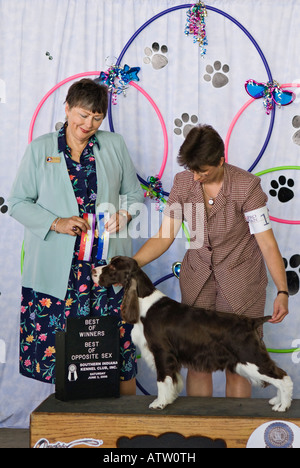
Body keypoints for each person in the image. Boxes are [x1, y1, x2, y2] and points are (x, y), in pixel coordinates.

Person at [8, 78, 144, 395]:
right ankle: (74, 433)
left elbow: (135, 195)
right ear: (67, 109)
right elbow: (17, 203)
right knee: (67, 356)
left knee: (118, 351)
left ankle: (123, 432)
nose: (88, 124)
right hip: (61, 273)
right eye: (82, 115)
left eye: (97, 117)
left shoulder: (114, 144)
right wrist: (56, 222)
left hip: (108, 271)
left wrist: (125, 214)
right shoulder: (41, 149)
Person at [133, 124, 289, 399]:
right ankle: (200, 431)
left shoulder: (246, 186)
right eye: (192, 170)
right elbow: (164, 236)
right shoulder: (184, 183)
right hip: (197, 278)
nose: (195, 177)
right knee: (196, 359)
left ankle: (234, 435)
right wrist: (132, 265)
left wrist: (282, 290)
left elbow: (266, 242)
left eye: (202, 171)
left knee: (239, 363)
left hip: (242, 279)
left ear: (220, 160)